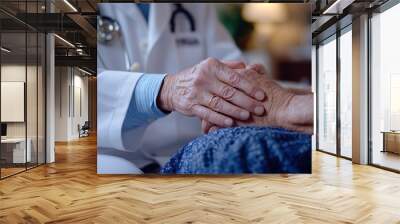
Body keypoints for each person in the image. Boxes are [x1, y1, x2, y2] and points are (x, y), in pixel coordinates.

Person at [97, 3, 267, 174]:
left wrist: (243, 83)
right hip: (108, 155)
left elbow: (233, 71)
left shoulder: (197, 7)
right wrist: (166, 91)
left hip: (190, 150)